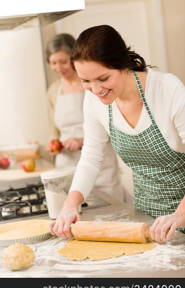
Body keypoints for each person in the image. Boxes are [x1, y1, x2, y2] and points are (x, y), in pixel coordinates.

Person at [49, 25, 185, 243]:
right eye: (86, 81)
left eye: (103, 79)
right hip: (147, 218)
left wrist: (180, 215)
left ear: (123, 65)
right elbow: (91, 157)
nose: (95, 89)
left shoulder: (167, 89)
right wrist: (70, 204)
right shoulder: (94, 99)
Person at [46, 33, 125, 204]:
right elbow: (54, 126)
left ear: (74, 59)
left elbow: (111, 124)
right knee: (73, 209)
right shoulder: (54, 90)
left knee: (108, 209)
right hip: (66, 162)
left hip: (100, 161)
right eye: (53, 63)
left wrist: (82, 141)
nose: (59, 67)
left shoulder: (94, 87)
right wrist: (54, 142)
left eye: (63, 61)